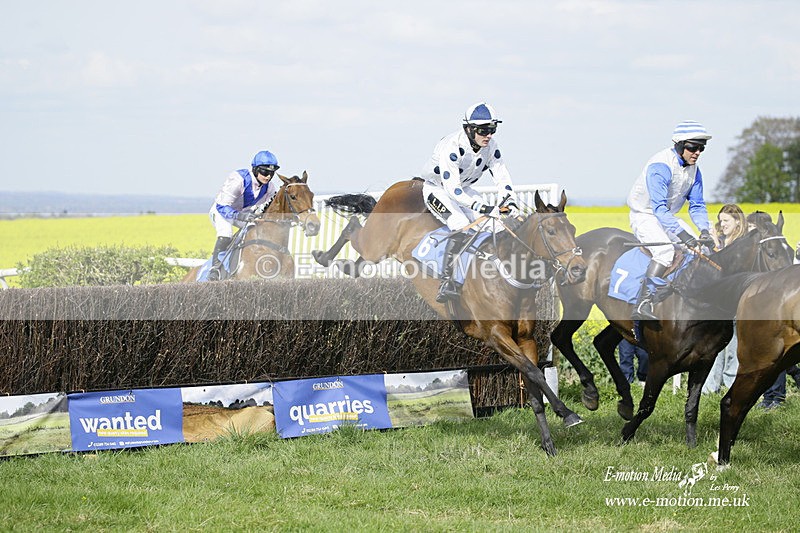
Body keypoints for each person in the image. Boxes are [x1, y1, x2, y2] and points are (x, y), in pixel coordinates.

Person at [421, 102, 520, 302]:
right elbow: (453, 190)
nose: (489, 135)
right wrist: (484, 207)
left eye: (492, 129)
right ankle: (448, 281)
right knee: (460, 224)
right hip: (439, 189)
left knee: (495, 226)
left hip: (464, 189)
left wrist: (510, 201)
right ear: (469, 129)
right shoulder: (452, 146)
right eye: (484, 130)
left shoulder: (491, 146)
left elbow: (502, 177)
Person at [627, 120, 715, 321]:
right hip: (645, 215)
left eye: (701, 148)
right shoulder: (660, 165)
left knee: (704, 250)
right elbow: (658, 208)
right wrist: (683, 235)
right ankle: (643, 302)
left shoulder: (695, 170)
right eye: (693, 147)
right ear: (679, 144)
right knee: (665, 251)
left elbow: (697, 206)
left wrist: (704, 231)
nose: (698, 152)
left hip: (667, 217)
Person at [206, 150, 281, 281]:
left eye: (271, 173)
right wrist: (242, 217)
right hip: (221, 211)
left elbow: (272, 206)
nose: (268, 176)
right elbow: (222, 206)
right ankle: (215, 269)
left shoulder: (269, 187)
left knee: (255, 229)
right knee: (226, 234)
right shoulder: (238, 180)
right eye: (265, 172)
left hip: (242, 212)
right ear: (256, 169)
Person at [702, 204, 747, 394]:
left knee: (733, 349)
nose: (723, 224)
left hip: (735, 302)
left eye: (726, 220)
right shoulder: (722, 241)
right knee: (715, 347)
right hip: (718, 303)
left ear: (737, 221)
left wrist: (717, 247)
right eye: (721, 221)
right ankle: (710, 387)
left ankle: (730, 386)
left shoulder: (742, 243)